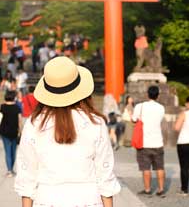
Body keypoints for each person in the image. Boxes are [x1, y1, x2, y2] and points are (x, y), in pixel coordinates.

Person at [15, 56, 121, 207]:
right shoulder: (95, 123)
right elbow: (105, 175)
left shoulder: (34, 124)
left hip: (47, 199)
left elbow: (27, 177)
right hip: (88, 200)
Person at [132, 85, 166, 197]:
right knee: (160, 167)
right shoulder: (161, 108)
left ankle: (147, 189)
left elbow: (134, 119)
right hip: (158, 142)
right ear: (158, 95)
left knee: (146, 168)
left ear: (148, 94)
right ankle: (161, 189)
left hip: (144, 143)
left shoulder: (140, 106)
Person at [0, 90, 22, 177]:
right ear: (14, 97)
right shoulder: (17, 107)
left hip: (4, 131)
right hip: (14, 131)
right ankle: (11, 169)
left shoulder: (3, 106)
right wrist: (20, 130)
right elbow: (20, 120)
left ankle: (9, 171)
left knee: (7, 151)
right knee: (13, 151)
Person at [174, 96, 189, 196]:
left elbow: (176, 128)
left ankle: (184, 190)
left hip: (184, 142)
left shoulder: (184, 114)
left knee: (184, 167)